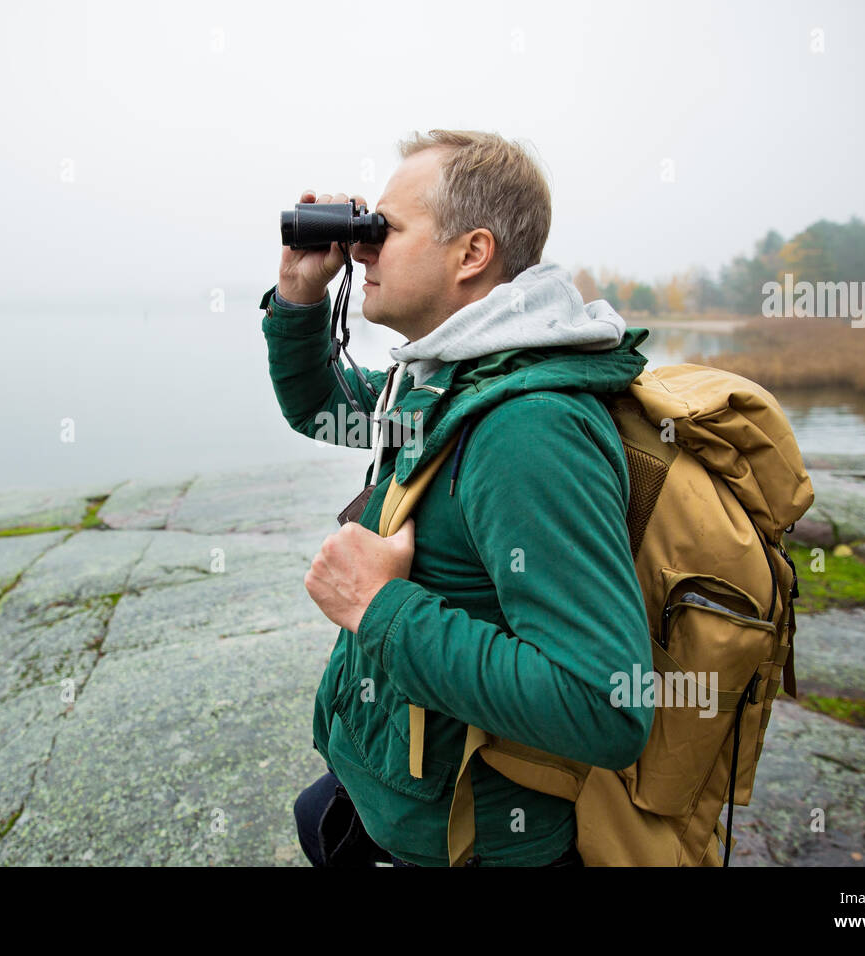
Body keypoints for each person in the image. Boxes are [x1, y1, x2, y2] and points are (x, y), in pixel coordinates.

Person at [260, 129, 653, 866]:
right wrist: (299, 297)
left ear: (472, 254)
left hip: (473, 843)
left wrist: (381, 609)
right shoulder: (451, 380)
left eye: (387, 229)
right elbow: (324, 406)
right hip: (399, 804)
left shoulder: (528, 427)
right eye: (364, 229)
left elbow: (606, 704)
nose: (364, 248)